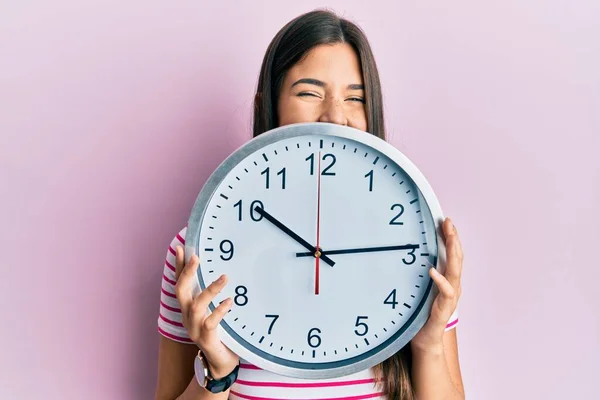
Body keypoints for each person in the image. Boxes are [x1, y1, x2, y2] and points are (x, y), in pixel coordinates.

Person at [154, 9, 464, 400]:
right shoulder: (195, 253)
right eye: (309, 92)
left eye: (356, 98)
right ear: (268, 104)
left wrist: (429, 341)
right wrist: (218, 371)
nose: (335, 115)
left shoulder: (420, 248)